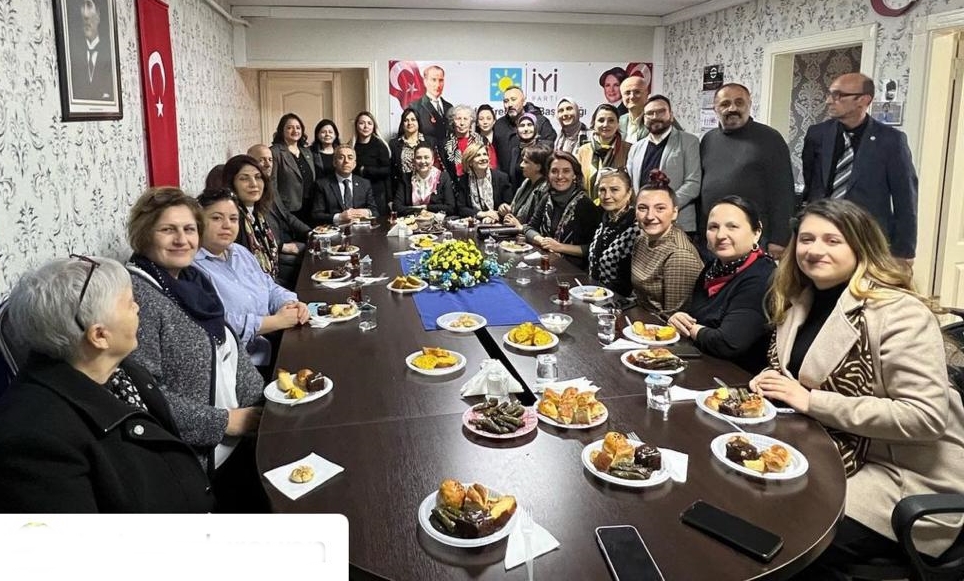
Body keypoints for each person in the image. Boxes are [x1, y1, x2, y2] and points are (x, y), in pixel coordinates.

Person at [750, 199, 964, 577]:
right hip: (822, 450)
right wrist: (770, 380)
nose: (815, 250)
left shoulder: (899, 312)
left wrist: (811, 401)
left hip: (897, 476)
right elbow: (795, 372)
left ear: (860, 247)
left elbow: (925, 417)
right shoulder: (800, 299)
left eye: (833, 240)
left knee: (777, 526)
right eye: (807, 239)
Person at [0, 256, 213, 512]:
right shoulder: (34, 440)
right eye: (129, 303)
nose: (138, 308)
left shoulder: (121, 370)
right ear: (100, 336)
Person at [124, 187, 266, 512]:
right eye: (167, 230)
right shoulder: (138, 297)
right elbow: (144, 395)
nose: (182, 240)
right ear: (144, 235)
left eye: (189, 229)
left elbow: (228, 347)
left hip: (237, 438)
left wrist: (266, 403)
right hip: (200, 463)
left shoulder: (193, 280)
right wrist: (224, 422)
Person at [801, 73, 918, 262]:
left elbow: (905, 197)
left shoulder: (891, 140)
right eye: (830, 94)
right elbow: (811, 182)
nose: (829, 101)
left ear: (863, 100)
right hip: (822, 231)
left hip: (868, 238)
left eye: (838, 95)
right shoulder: (818, 134)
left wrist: (904, 251)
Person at [193, 188, 309, 367]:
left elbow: (270, 287)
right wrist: (274, 322)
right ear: (198, 222)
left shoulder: (240, 252)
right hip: (242, 364)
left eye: (233, 219)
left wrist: (290, 303)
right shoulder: (193, 269)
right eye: (216, 218)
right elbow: (216, 323)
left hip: (273, 343)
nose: (227, 225)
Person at [668, 196, 776, 373]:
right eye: (713, 227)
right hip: (702, 363)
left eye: (732, 227)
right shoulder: (713, 267)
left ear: (756, 232)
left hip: (738, 377)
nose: (720, 235)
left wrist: (691, 328)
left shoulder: (762, 275)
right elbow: (696, 317)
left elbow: (727, 343)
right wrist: (679, 318)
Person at [700, 83, 794, 257]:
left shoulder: (770, 138)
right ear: (715, 109)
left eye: (739, 102)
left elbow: (783, 191)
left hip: (755, 236)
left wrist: (780, 238)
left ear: (749, 105)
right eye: (725, 104)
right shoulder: (708, 140)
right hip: (714, 236)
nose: (732, 108)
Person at [626, 95, 702, 238]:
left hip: (678, 224)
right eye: (650, 113)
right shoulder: (636, 148)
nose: (655, 117)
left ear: (671, 115)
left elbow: (693, 183)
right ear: (644, 118)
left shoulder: (688, 141)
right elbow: (629, 185)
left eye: (661, 112)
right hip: (644, 224)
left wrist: (663, 208)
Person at [631, 170, 704, 315]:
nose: (650, 216)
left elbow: (674, 318)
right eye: (643, 208)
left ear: (675, 212)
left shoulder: (679, 255)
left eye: (660, 208)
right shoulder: (641, 239)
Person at [525, 151, 603, 267]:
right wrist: (542, 241)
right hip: (545, 262)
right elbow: (529, 228)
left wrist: (560, 247)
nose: (560, 176)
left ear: (574, 175)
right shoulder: (547, 198)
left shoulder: (585, 204)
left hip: (573, 269)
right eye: (554, 171)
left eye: (566, 171)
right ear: (548, 175)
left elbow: (593, 248)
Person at [248, 143, 310, 289]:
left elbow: (287, 215)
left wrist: (309, 232)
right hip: (273, 250)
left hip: (285, 238)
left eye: (270, 160)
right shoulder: (251, 193)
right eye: (262, 160)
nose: (267, 164)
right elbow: (256, 233)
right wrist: (283, 247)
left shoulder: (270, 185)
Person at [222, 154, 285, 284]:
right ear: (231, 184)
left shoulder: (258, 213)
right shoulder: (233, 220)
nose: (254, 184)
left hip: (270, 282)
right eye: (244, 179)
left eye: (258, 177)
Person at [586, 168, 639, 297]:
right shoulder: (605, 220)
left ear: (629, 193)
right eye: (602, 190)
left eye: (614, 190)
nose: (606, 196)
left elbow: (629, 283)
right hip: (596, 295)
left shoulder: (636, 228)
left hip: (621, 302)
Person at [492, 86, 557, 177]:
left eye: (513, 99)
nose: (510, 104)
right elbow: (495, 155)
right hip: (506, 182)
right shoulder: (499, 125)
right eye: (506, 101)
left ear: (524, 101)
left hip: (534, 180)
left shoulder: (541, 122)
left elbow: (548, 151)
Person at [311, 144, 378, 224]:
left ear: (354, 164)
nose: (346, 161)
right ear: (334, 163)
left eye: (350, 158)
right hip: (335, 228)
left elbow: (375, 212)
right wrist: (339, 217)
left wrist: (367, 212)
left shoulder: (365, 183)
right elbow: (316, 215)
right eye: (341, 157)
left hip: (360, 228)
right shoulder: (322, 184)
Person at [576, 104, 629, 200]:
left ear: (618, 124)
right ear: (594, 123)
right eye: (601, 120)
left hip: (618, 206)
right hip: (588, 205)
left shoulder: (629, 150)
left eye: (611, 120)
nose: (605, 124)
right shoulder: (583, 151)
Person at [270, 113, 315, 221]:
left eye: (298, 128)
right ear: (282, 130)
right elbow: (272, 185)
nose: (295, 131)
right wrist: (280, 210)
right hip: (289, 209)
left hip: (310, 206)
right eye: (290, 128)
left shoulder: (307, 151)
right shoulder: (275, 152)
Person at [394, 143, 456, 216]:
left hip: (437, 221)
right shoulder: (405, 178)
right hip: (412, 221)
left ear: (432, 160)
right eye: (418, 158)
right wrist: (422, 210)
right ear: (414, 161)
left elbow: (450, 208)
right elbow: (397, 207)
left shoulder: (443, 177)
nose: (423, 161)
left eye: (426, 157)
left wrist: (426, 207)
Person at [455, 142, 513, 222]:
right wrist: (483, 214)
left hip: (498, 222)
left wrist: (499, 212)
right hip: (474, 222)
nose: (483, 158)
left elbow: (509, 205)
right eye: (478, 155)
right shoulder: (463, 180)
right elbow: (461, 208)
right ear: (470, 162)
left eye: (485, 154)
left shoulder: (502, 178)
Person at [71, 0, 115, 101]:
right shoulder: (74, 57)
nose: (86, 22)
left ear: (98, 17)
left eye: (90, 18)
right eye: (84, 19)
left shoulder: (109, 54)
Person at [501, 142, 552, 228]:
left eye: (526, 162)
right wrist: (505, 210)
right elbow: (514, 209)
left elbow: (540, 224)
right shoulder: (527, 182)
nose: (521, 165)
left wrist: (520, 226)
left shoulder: (545, 189)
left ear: (538, 166)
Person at [351, 111, 392, 216]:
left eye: (369, 123)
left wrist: (365, 170)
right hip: (357, 192)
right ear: (356, 126)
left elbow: (387, 171)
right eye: (362, 123)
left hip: (377, 191)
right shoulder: (351, 146)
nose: (366, 126)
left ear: (374, 126)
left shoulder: (381, 145)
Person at [390, 107, 439, 188]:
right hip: (403, 187)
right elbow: (392, 171)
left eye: (413, 119)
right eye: (406, 120)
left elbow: (436, 166)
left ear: (418, 122)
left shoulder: (430, 141)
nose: (410, 123)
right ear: (402, 124)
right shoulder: (394, 144)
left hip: (426, 186)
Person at [411, 65, 452, 146]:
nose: (437, 85)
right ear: (425, 82)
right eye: (433, 80)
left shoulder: (449, 107)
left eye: (441, 80)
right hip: (426, 150)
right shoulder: (415, 107)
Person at [442, 104, 486, 181]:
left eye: (465, 119)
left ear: (471, 121)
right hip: (454, 184)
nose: (462, 123)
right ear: (452, 121)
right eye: (458, 119)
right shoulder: (444, 144)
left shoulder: (482, 140)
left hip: (479, 182)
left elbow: (491, 164)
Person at [506, 113, 547, 188]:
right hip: (519, 193)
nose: (526, 129)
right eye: (522, 125)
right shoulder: (515, 151)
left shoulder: (542, 150)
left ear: (535, 128)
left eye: (529, 125)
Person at [618, 75, 650, 143]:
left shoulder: (656, 120)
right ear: (622, 97)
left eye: (637, 92)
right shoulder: (619, 121)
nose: (632, 96)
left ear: (647, 95)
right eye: (627, 93)